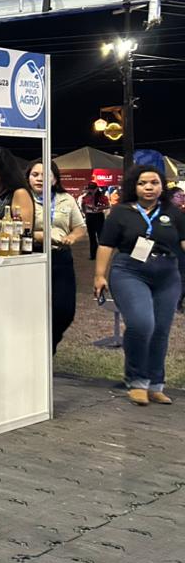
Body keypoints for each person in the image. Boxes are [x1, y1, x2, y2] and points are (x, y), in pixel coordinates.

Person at [93, 165, 185, 406]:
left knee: (161, 330)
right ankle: (136, 381)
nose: (149, 187)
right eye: (143, 183)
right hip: (130, 272)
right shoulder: (120, 212)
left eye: (154, 183)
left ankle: (155, 385)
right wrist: (100, 275)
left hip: (167, 275)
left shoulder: (172, 213)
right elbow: (105, 245)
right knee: (142, 323)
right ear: (134, 186)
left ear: (162, 186)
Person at [28, 160, 86, 352]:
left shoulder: (65, 199)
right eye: (35, 174)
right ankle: (35, 351)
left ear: (54, 179)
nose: (39, 179)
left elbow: (80, 228)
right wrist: (40, 236)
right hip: (32, 256)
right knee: (32, 308)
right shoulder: (23, 198)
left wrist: (71, 237)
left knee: (65, 310)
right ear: (28, 178)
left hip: (60, 258)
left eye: (45, 175)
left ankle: (49, 346)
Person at [81, 182, 110, 261]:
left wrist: (99, 208)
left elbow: (107, 205)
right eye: (90, 189)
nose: (91, 191)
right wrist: (85, 212)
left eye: (92, 189)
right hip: (90, 216)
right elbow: (83, 205)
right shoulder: (86, 197)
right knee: (92, 236)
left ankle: (102, 254)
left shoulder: (102, 196)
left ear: (96, 188)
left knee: (100, 236)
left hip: (98, 216)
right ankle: (93, 254)